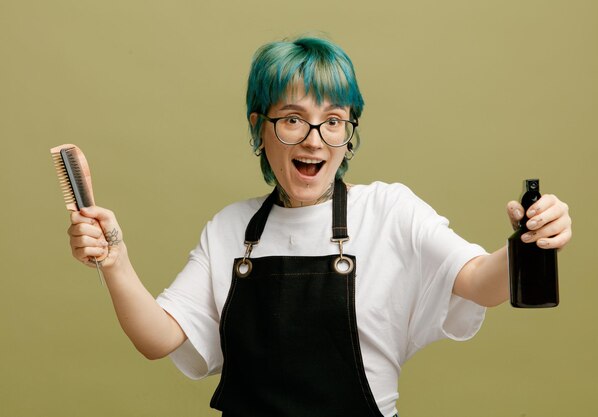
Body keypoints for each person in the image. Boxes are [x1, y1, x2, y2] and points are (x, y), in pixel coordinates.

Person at [67, 37, 572, 417]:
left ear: (349, 131)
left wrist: (529, 242)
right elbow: (159, 338)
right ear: (258, 128)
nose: (315, 140)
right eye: (292, 119)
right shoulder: (229, 230)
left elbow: (481, 282)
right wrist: (115, 261)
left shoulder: (389, 211)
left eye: (333, 120)